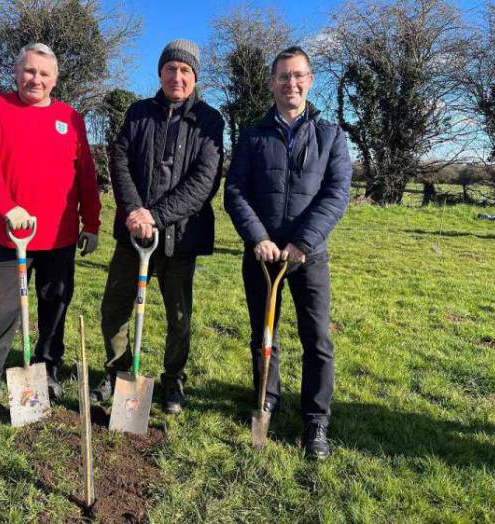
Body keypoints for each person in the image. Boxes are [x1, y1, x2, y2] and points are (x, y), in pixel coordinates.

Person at [0, 43, 101, 413]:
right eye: (30, 71)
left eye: (44, 74)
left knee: (54, 306)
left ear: (55, 80)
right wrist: (8, 206)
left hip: (59, 236)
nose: (36, 79)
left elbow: (86, 176)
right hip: (10, 235)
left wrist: (90, 223)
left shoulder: (71, 118)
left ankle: (47, 373)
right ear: (17, 72)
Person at [224, 46, 352, 459]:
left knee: (317, 340)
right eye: (283, 77)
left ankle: (316, 420)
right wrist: (258, 237)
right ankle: (265, 401)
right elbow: (236, 191)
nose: (290, 84)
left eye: (298, 76)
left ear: (310, 81)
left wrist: (303, 242)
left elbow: (336, 194)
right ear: (272, 83)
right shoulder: (252, 135)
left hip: (308, 256)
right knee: (264, 336)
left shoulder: (331, 136)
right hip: (262, 256)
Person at [90, 39, 224, 414]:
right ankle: (116, 374)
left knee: (178, 316)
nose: (177, 76)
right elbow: (120, 161)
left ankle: (173, 382)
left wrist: (157, 216)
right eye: (170, 69)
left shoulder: (210, 121)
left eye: (185, 70)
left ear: (195, 76)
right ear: (160, 72)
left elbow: (204, 182)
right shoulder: (138, 113)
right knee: (115, 307)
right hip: (133, 234)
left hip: (181, 238)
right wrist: (134, 211)